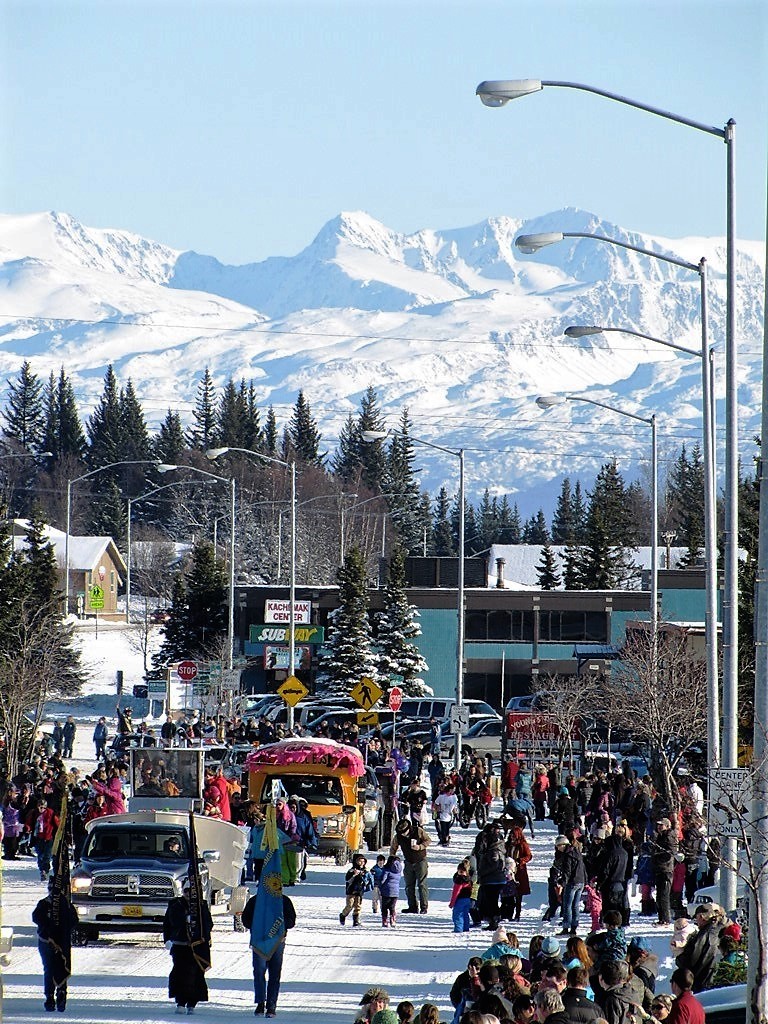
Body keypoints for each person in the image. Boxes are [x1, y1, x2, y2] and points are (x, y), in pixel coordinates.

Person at [241, 887, 296, 1017]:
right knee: (259, 971)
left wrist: (279, 924)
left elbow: (291, 921)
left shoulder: (284, 901)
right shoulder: (255, 901)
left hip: (277, 942)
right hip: (259, 941)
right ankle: (260, 1003)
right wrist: (259, 925)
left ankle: (271, 1005)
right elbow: (245, 920)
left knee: (275, 973)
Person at [163, 876, 213, 1014]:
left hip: (197, 947)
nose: (188, 894)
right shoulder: (175, 904)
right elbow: (168, 923)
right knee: (180, 973)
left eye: (191, 891)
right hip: (180, 945)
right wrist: (167, 939)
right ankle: (180, 1002)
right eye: (186, 891)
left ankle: (192, 1003)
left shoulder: (201, 905)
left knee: (196, 974)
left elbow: (208, 924)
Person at [33, 877, 79, 1013]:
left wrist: (63, 930)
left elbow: (74, 920)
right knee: (49, 968)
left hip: (62, 941)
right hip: (47, 941)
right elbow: (36, 917)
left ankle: (61, 994)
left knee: (61, 966)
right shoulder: (43, 904)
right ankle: (49, 997)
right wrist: (50, 930)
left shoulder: (66, 906)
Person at [674, 902, 725, 991]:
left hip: (702, 981)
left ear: (701, 917)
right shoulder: (719, 929)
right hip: (713, 979)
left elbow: (690, 960)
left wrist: (679, 957)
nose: (696, 922)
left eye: (697, 918)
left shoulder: (704, 935)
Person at [390, 813, 431, 914]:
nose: (403, 834)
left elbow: (428, 840)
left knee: (422, 885)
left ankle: (424, 907)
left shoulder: (418, 831)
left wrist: (420, 847)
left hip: (421, 861)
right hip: (408, 862)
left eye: (404, 832)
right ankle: (412, 907)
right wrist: (392, 857)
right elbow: (393, 847)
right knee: (409, 886)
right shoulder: (398, 836)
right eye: (401, 832)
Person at [559, 831, 587, 936]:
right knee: (575, 905)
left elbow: (567, 871)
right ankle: (574, 927)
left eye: (558, 846)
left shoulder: (568, 855)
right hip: (581, 881)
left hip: (572, 882)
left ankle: (566, 926)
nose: (558, 849)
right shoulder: (577, 852)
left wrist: (562, 882)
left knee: (567, 905)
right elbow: (583, 868)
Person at [339, 852, 374, 927]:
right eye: (360, 861)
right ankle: (343, 915)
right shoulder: (351, 870)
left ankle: (356, 921)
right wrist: (354, 875)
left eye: (363, 861)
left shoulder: (365, 871)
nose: (362, 863)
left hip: (360, 891)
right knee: (349, 906)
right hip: (351, 891)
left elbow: (368, 880)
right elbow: (347, 880)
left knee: (358, 906)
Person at [449, 860, 473, 933]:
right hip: (467, 899)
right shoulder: (469, 880)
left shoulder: (459, 880)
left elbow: (456, 892)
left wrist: (452, 903)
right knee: (465, 914)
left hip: (460, 900)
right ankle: (466, 928)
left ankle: (458, 929)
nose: (460, 873)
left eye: (461, 872)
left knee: (457, 914)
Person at [379, 854, 402, 927]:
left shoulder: (386, 870)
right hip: (395, 892)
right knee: (392, 907)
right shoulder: (398, 872)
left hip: (386, 891)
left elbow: (383, 880)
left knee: (384, 907)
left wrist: (379, 885)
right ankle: (393, 920)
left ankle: (385, 921)